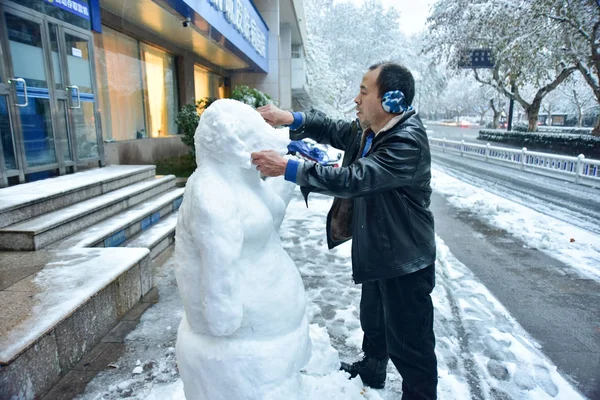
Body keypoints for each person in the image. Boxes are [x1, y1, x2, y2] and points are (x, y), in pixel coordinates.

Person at [252, 62, 437, 399]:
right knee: (375, 319)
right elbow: (333, 128)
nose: (356, 99)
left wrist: (289, 168)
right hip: (380, 248)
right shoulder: (370, 130)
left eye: (364, 92)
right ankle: (373, 367)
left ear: (391, 101)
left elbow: (355, 179)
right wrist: (289, 118)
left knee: (412, 346)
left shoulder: (405, 143)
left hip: (406, 260)